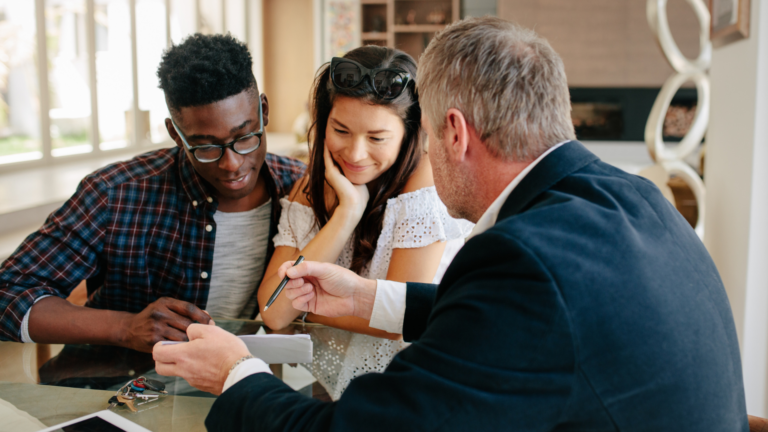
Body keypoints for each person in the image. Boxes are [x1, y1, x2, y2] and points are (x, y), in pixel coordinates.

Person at [153, 17, 748, 431]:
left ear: (454, 133)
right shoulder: (634, 198)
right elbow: (528, 320)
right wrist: (367, 298)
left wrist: (236, 374)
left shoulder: (524, 260)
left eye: (428, 136)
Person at [0, 34, 305, 352]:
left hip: (237, 376)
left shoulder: (299, 190)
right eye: (205, 147)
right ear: (176, 134)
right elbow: (7, 294)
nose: (232, 164)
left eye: (244, 137)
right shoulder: (115, 194)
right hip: (119, 378)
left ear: (263, 111)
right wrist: (124, 327)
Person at [257, 46, 472, 398]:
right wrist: (347, 214)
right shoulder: (311, 187)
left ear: (409, 133)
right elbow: (274, 311)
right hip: (336, 387)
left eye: (376, 138)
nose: (356, 154)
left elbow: (396, 318)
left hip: (416, 390)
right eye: (341, 130)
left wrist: (305, 309)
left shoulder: (424, 186)